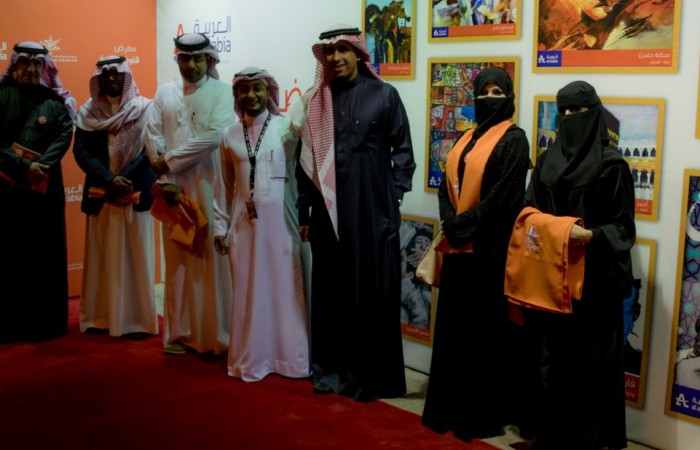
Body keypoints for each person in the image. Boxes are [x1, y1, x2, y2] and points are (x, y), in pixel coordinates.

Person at [289, 24, 415, 402]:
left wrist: (392, 198)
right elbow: (305, 164)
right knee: (331, 293)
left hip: (373, 212)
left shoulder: (384, 95)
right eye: (329, 52)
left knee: (371, 291)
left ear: (359, 53)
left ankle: (371, 377)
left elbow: (403, 152)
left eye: (344, 50)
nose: (336, 58)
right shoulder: (316, 102)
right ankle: (331, 371)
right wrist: (305, 211)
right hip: (328, 216)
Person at [420, 66, 533, 441]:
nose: (490, 98)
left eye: (498, 93)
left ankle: (477, 416)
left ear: (510, 97)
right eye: (484, 92)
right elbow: (444, 186)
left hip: (489, 253)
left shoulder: (515, 140)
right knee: (453, 332)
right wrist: (451, 222)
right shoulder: (466, 137)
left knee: (483, 336)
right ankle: (447, 409)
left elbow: (505, 198)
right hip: (458, 249)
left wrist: (462, 225)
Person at [523, 81, 635, 450]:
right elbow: (529, 210)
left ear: (595, 113)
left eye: (579, 110)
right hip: (552, 280)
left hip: (595, 284)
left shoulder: (613, 166)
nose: (571, 117)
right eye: (564, 111)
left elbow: (624, 227)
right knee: (553, 363)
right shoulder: (547, 162)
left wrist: (592, 236)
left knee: (590, 369)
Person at [214, 67, 310, 381]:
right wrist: (220, 226)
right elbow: (223, 187)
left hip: (284, 227)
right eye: (244, 90)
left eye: (257, 88)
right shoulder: (229, 135)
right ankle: (252, 359)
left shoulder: (287, 130)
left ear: (269, 92)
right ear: (237, 95)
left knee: (287, 291)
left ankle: (292, 360)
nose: (251, 95)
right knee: (249, 292)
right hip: (244, 228)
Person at [145, 33, 234, 355]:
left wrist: (169, 161)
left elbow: (214, 136)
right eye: (185, 58)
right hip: (173, 191)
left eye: (198, 58)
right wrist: (166, 177)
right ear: (178, 60)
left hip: (211, 187)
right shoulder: (164, 92)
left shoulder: (223, 92)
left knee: (211, 262)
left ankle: (218, 337)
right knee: (178, 261)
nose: (191, 65)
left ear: (209, 60)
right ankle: (180, 334)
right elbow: (152, 134)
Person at [73, 55, 156, 340]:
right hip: (102, 195)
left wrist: (125, 178)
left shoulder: (145, 108)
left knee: (136, 257)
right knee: (101, 257)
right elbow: (81, 151)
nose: (111, 78)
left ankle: (136, 320)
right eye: (105, 74)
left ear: (126, 76)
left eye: (117, 73)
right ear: (98, 79)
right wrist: (109, 179)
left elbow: (150, 151)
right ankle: (99, 318)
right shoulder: (87, 112)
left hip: (134, 192)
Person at [0, 42, 75, 343]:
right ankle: (8, 325)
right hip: (7, 192)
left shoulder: (55, 101)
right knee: (9, 254)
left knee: (45, 254)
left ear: (45, 68)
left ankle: (46, 324)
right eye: (24, 64)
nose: (31, 69)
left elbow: (64, 135)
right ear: (15, 67)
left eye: (37, 65)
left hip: (45, 192)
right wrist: (22, 166)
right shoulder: (2, 96)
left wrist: (40, 166)